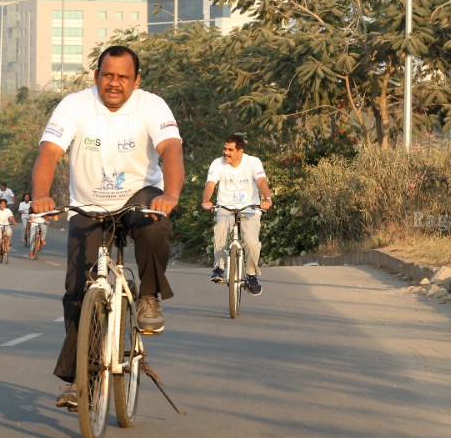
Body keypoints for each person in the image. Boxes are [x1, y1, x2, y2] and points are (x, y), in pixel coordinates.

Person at [30, 45, 183, 410]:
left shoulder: (151, 105)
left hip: (138, 195)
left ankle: (148, 295)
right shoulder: (75, 105)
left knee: (154, 226)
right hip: (88, 205)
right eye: (107, 75)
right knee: (77, 290)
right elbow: (49, 153)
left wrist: (171, 195)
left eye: (122, 77)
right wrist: (40, 195)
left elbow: (172, 150)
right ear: (96, 76)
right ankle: (78, 379)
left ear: (137, 80)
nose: (114, 83)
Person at [201, 134, 273, 296]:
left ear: (240, 151)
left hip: (249, 207)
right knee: (220, 229)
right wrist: (206, 200)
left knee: (251, 241)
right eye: (225, 149)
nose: (226, 152)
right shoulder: (217, 164)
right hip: (225, 207)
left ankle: (251, 275)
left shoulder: (253, 162)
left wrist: (267, 198)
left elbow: (261, 181)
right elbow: (210, 184)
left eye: (230, 150)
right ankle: (219, 268)